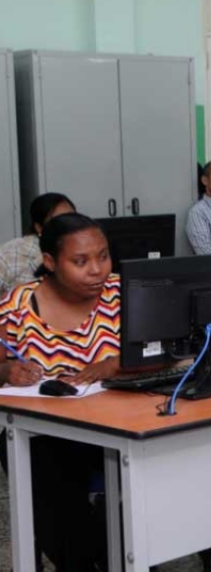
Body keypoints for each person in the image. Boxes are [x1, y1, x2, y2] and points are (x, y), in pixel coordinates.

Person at [0, 213, 121, 571]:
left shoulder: (120, 293)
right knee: (60, 505)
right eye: (81, 261)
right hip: (42, 435)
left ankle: (126, 552)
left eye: (103, 256)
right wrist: (7, 370)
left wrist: (118, 363)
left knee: (143, 496)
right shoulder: (17, 306)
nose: (97, 270)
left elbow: (162, 351)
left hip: (115, 424)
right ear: (50, 262)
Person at [0, 192, 76, 298]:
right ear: (39, 228)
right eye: (58, 221)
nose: (69, 225)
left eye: (72, 217)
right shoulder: (11, 253)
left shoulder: (86, 247)